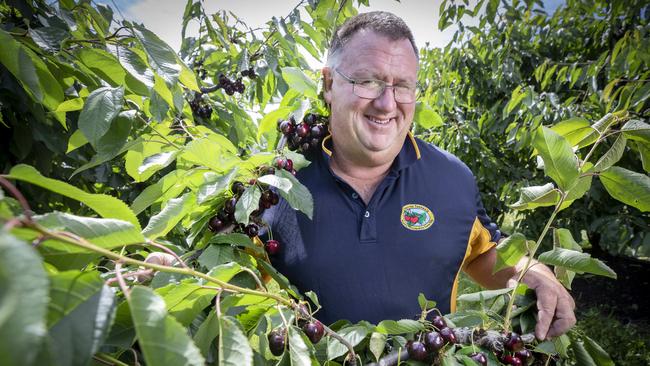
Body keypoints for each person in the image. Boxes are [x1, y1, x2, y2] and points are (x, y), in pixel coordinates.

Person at [146, 11, 575, 341]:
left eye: (402, 85)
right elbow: (229, 277)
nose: (387, 103)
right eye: (368, 81)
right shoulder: (272, 187)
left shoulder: (452, 178)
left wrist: (532, 271)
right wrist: (177, 275)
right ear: (329, 84)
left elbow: (482, 252)